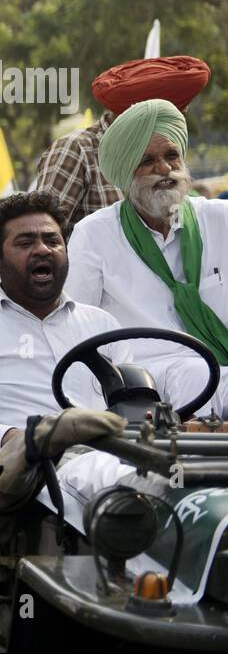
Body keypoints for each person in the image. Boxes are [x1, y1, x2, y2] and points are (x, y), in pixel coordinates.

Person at [0, 192, 128, 463]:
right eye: (25, 243)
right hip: (22, 477)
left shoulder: (104, 326)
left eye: (52, 240)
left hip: (111, 464)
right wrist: (19, 440)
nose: (42, 250)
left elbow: (134, 411)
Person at [66, 98, 228, 418]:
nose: (165, 169)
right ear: (127, 173)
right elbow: (74, 327)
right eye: (148, 160)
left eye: (171, 156)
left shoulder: (220, 219)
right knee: (195, 373)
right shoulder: (94, 235)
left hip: (219, 366)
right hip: (143, 379)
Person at [37, 56, 210, 231]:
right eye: (167, 116)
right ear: (141, 115)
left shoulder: (167, 155)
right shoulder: (76, 150)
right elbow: (41, 232)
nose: (163, 167)